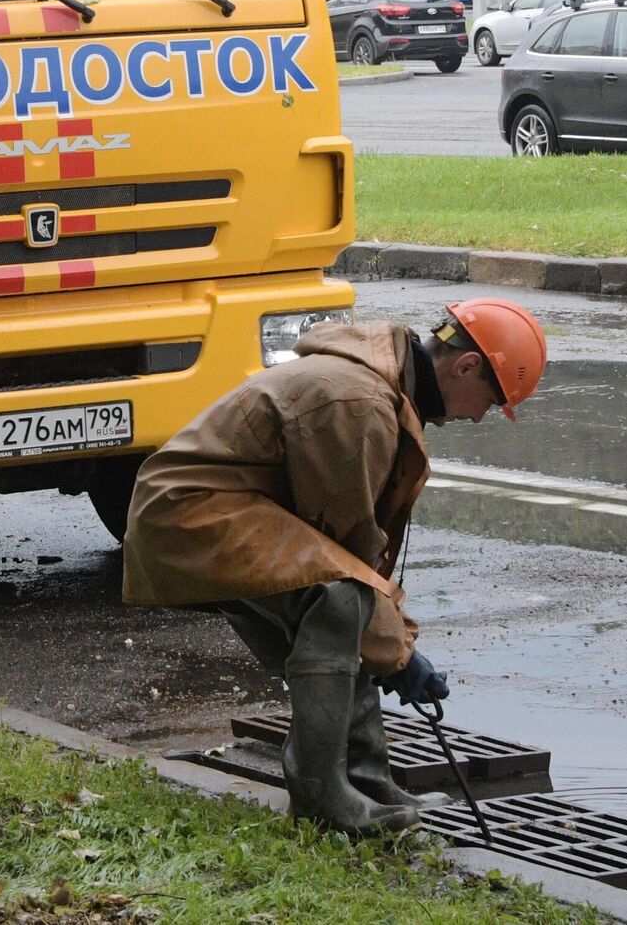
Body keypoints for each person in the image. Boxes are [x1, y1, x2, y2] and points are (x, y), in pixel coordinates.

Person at [121, 299, 547, 836]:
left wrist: (393, 644)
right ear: (465, 367)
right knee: (342, 600)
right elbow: (345, 550)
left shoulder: (377, 393)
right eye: (489, 400)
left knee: (353, 606)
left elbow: (354, 555)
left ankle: (366, 782)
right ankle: (323, 797)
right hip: (190, 515)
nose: (477, 416)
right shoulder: (359, 403)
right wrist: (398, 652)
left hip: (220, 509)